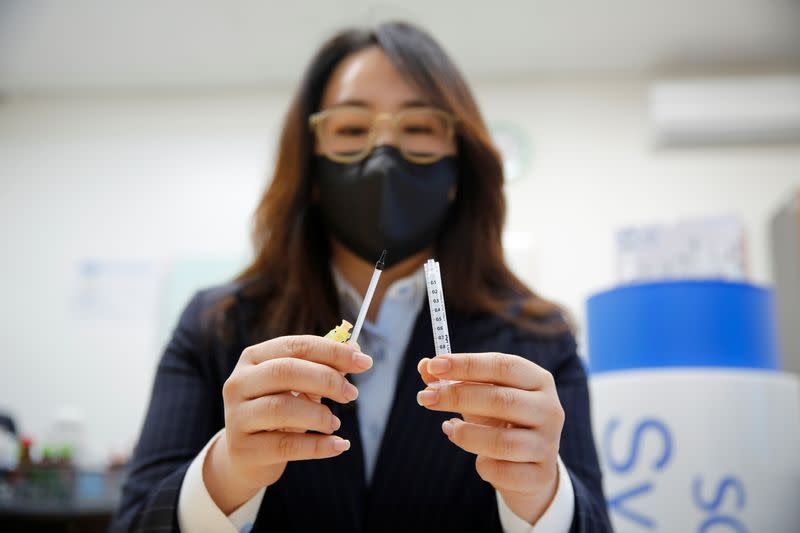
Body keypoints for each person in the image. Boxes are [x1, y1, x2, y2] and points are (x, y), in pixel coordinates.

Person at [110, 21, 611, 533]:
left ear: (458, 170)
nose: (383, 154)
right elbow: (134, 522)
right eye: (351, 130)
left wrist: (542, 497)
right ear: (311, 170)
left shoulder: (540, 344)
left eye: (418, 130)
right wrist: (225, 472)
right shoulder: (215, 327)